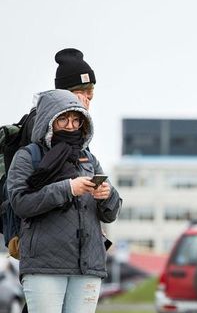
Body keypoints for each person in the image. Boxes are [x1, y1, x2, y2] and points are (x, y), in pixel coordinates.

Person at [6, 90, 122, 313]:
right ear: (49, 120)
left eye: (76, 119)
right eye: (63, 119)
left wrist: (108, 195)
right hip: (44, 267)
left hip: (88, 266)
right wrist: (68, 188)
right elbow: (20, 203)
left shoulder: (88, 158)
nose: (70, 126)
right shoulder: (27, 157)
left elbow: (110, 214)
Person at [20, 48, 97, 147]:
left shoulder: (79, 121)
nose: (86, 98)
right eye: (80, 92)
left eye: (90, 92)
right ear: (63, 94)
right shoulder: (39, 119)